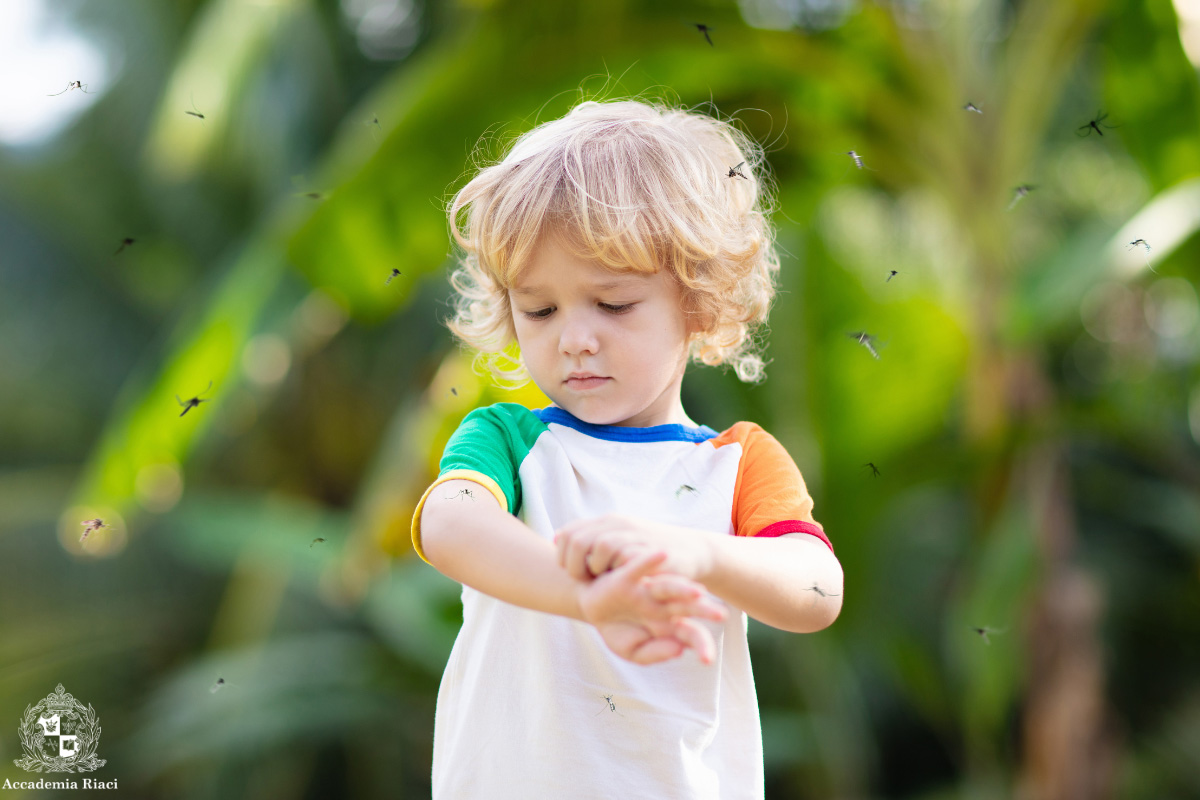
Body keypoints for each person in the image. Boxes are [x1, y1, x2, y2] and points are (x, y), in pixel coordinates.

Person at [411, 98, 843, 799]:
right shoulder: (509, 440)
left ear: (699, 303)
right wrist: (590, 596)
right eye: (540, 309)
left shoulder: (736, 463)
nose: (574, 337)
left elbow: (819, 591)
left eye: (612, 305)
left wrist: (699, 554)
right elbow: (449, 525)